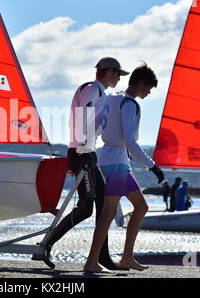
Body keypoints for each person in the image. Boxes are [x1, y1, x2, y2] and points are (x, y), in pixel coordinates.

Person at [32, 57, 130, 270]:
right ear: (109, 72)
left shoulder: (100, 92)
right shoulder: (91, 88)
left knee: (104, 206)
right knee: (86, 208)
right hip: (81, 152)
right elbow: (81, 118)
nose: (119, 79)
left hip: (89, 153)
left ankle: (102, 257)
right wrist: (83, 152)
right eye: (117, 74)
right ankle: (46, 244)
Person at [84, 63, 164, 273]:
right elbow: (131, 141)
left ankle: (127, 257)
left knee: (141, 207)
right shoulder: (130, 104)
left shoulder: (112, 98)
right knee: (108, 213)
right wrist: (152, 166)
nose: (148, 93)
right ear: (141, 83)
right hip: (117, 163)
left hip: (111, 160)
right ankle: (91, 262)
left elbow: (97, 126)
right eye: (148, 88)